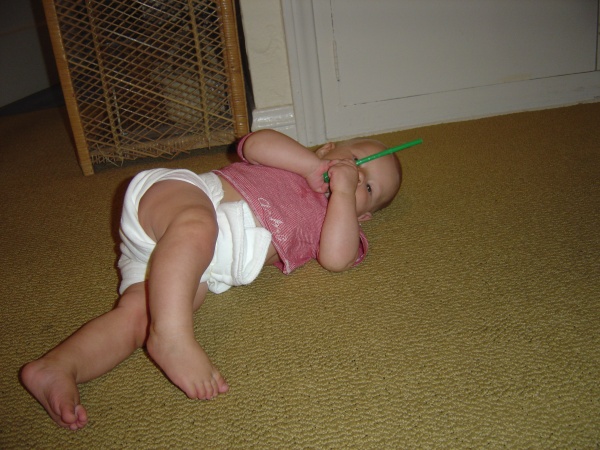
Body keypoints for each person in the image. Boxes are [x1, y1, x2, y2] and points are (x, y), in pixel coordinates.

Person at [20, 129, 403, 430]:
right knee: (196, 226)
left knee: (140, 316)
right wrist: (309, 165)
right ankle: (172, 337)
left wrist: (343, 193)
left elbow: (337, 259)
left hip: (181, 267)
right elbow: (253, 144)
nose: (358, 175)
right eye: (357, 160)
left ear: (364, 217)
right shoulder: (298, 161)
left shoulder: (339, 223)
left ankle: (58, 367)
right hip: (180, 198)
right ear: (328, 148)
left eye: (368, 188)